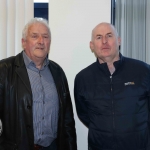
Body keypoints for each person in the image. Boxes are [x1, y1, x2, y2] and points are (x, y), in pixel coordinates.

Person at [0, 18, 77, 150]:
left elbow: (67, 121)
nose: (41, 41)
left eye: (45, 37)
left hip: (52, 147)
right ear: (24, 42)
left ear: (49, 42)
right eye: (35, 36)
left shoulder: (57, 72)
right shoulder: (4, 70)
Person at [74, 22, 150, 150]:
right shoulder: (82, 78)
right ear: (92, 46)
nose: (104, 41)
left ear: (119, 41)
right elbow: (84, 115)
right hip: (99, 146)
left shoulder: (143, 71)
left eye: (109, 36)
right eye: (98, 37)